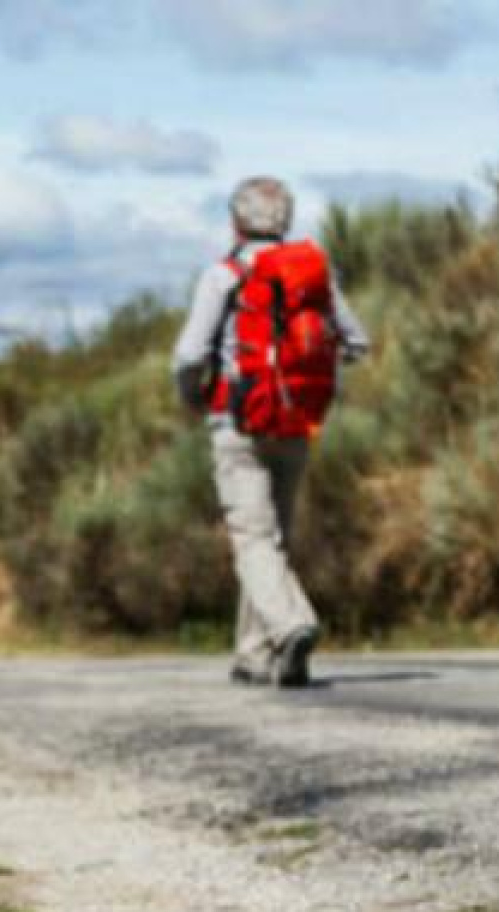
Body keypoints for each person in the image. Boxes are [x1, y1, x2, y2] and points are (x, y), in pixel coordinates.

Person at [171, 176, 369, 689]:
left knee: (253, 539)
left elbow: (190, 355)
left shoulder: (224, 276)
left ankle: (290, 625)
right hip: (296, 422)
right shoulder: (313, 276)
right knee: (272, 540)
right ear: (285, 220)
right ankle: (253, 655)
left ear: (237, 220)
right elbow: (356, 341)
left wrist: (195, 396)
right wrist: (306, 373)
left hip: (238, 421)